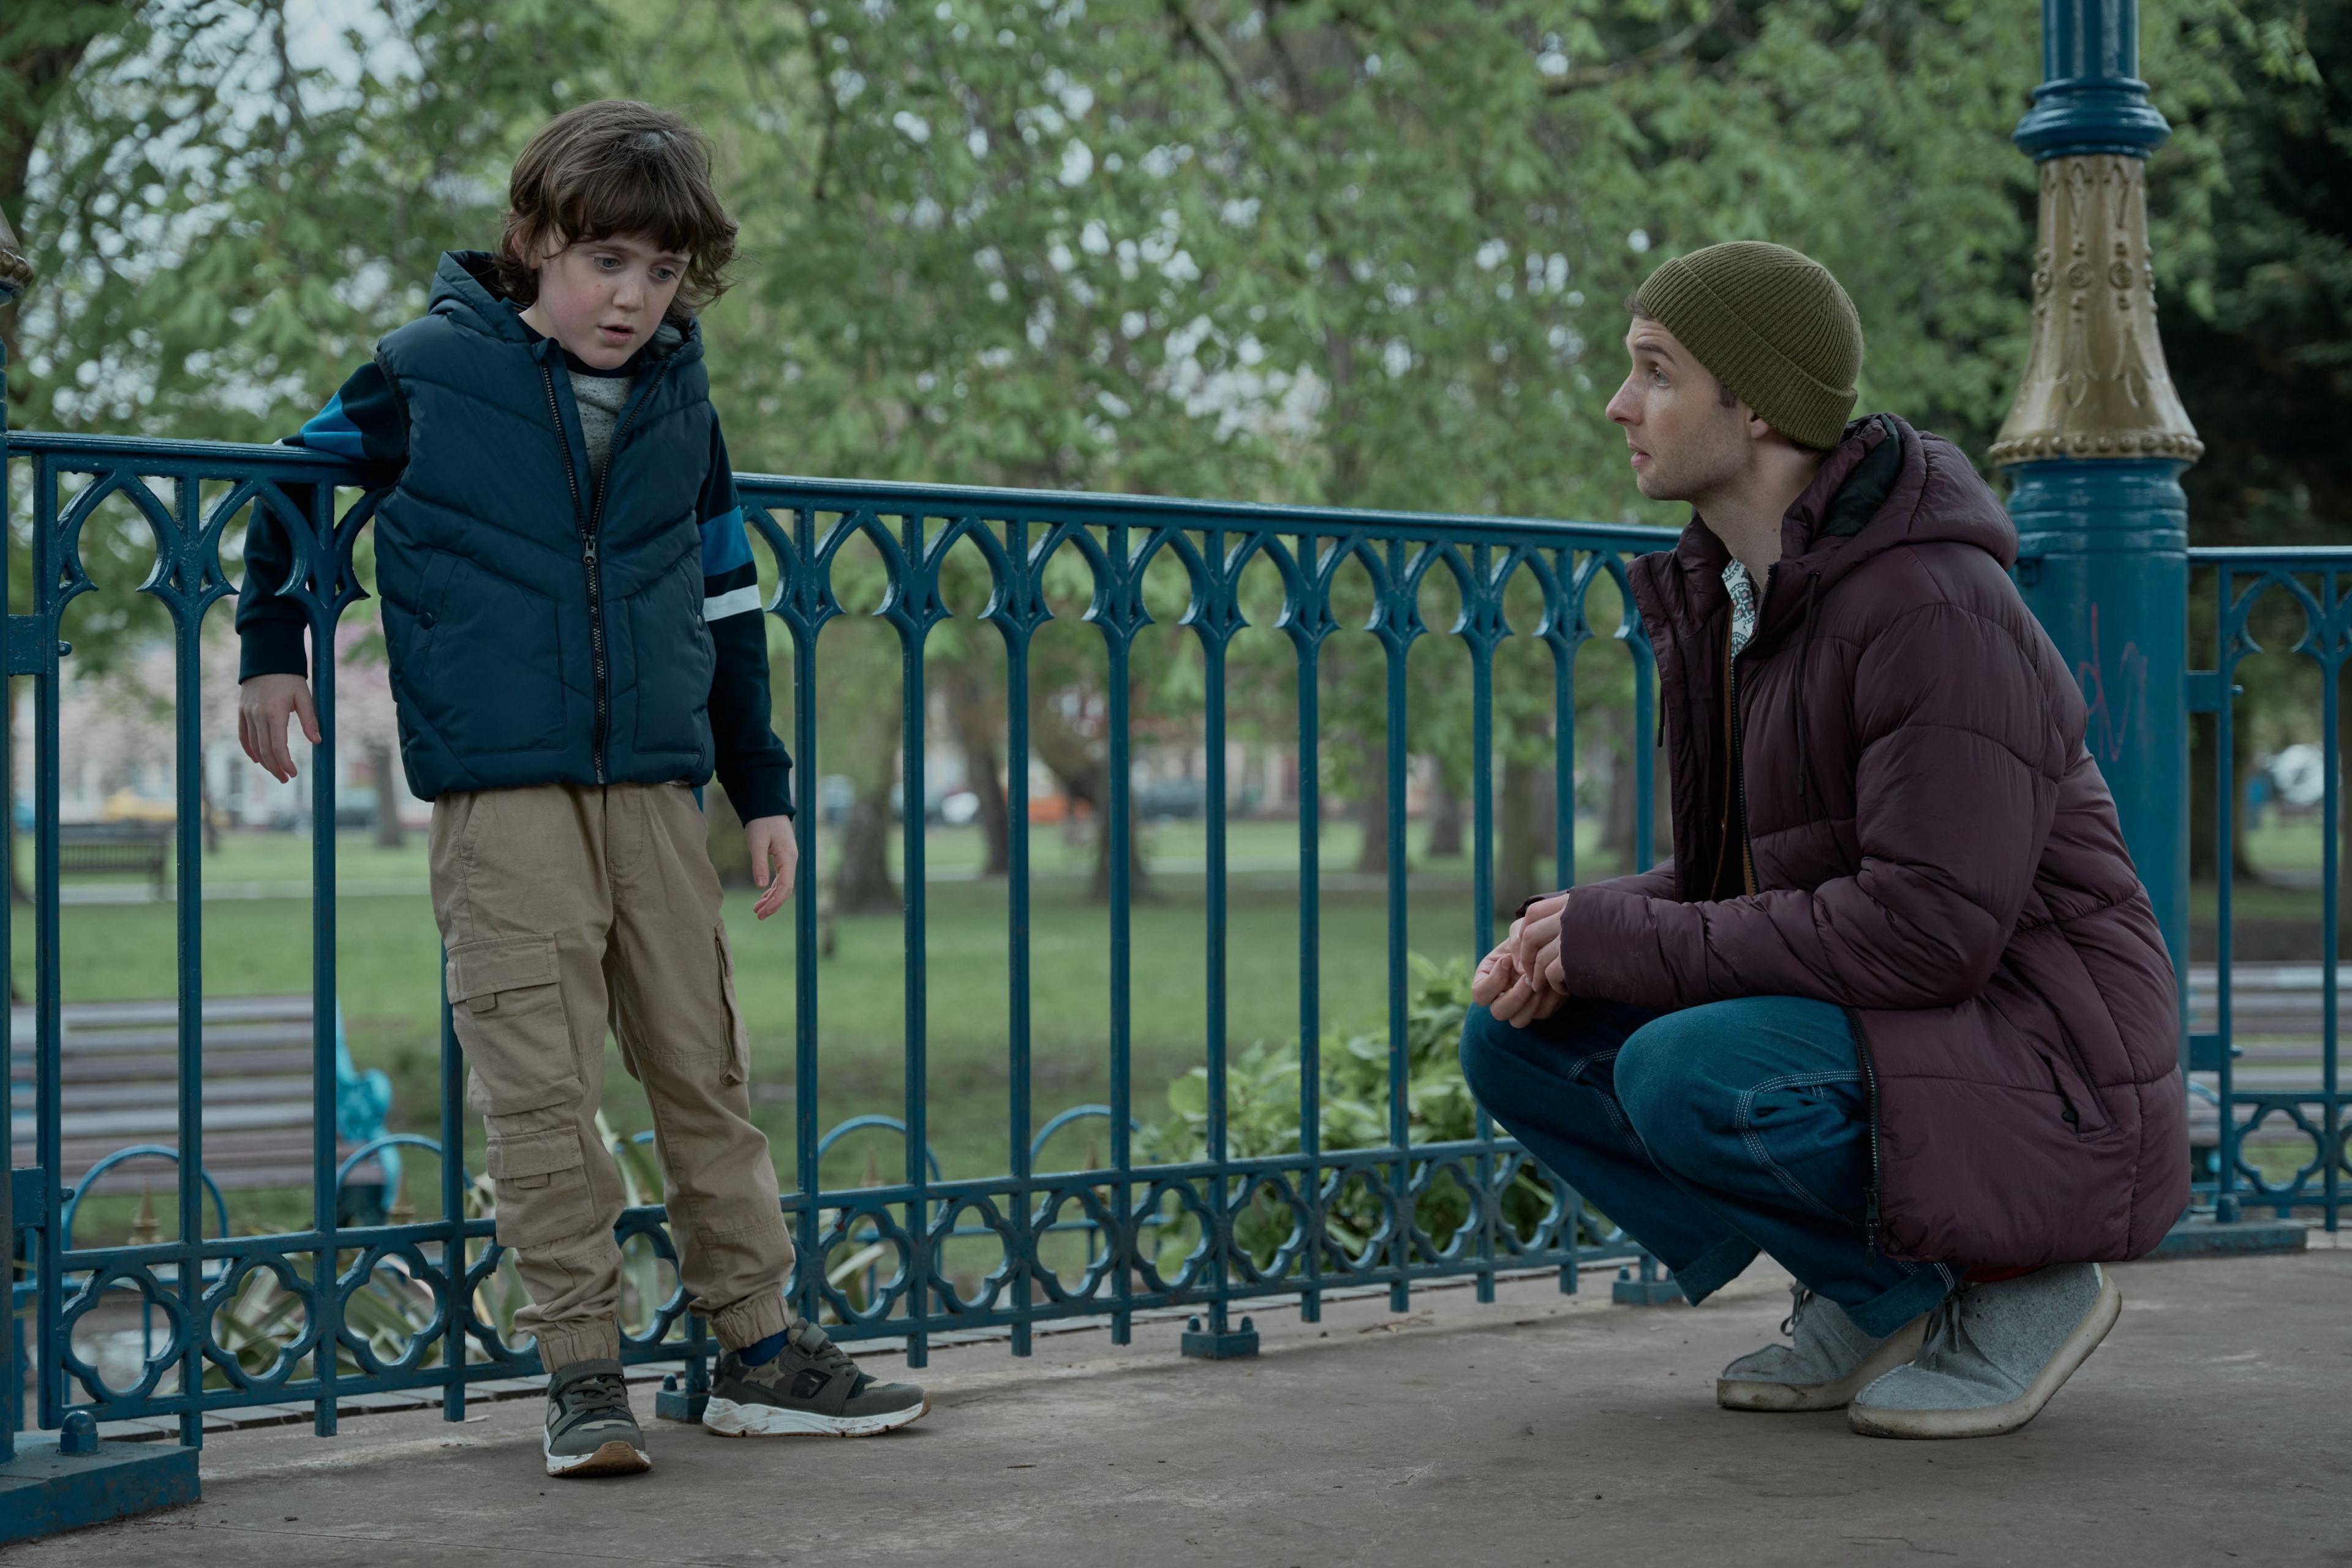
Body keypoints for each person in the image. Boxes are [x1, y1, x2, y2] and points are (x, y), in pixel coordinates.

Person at [236, 100, 929, 1477]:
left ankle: (755, 1350)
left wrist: (765, 785)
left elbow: (728, 603)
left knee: (702, 1068)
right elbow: (292, 490)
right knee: (540, 1088)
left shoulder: (685, 401)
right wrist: (274, 646)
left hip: (658, 794)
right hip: (502, 800)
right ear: (534, 241)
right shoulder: (421, 370)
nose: (632, 296)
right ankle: (581, 1372)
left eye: (662, 272)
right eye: (606, 259)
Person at [1461, 241, 2187, 1440]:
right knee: (1518, 1039)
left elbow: (1927, 929)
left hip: (2053, 1063)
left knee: (1681, 1067)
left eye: (1654, 371)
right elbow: (1772, 878)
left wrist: (1626, 936)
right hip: (1927, 1018)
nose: (1619, 403)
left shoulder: (1932, 607)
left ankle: (2025, 1290)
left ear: (1752, 408)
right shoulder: (1748, 594)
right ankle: (1883, 1292)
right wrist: (1571, 930)